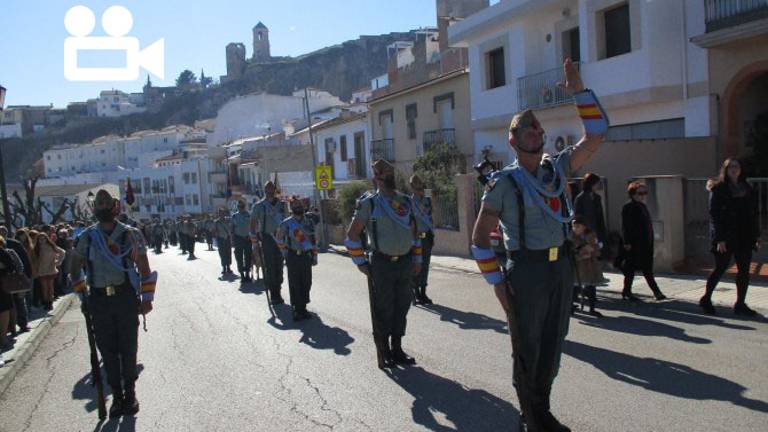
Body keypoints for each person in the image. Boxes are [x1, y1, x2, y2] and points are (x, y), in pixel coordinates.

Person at [471, 58, 607, 432]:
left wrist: (580, 91)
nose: (535, 132)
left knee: (553, 342)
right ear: (513, 141)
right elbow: (479, 240)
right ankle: (530, 417)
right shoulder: (503, 184)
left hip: (560, 268)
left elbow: (596, 135)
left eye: (538, 129)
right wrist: (498, 286)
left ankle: (541, 409)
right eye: (526, 130)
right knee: (527, 344)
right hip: (526, 269)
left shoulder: (557, 170)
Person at [69, 190, 156, 418]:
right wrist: (83, 297)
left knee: (128, 348)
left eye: (107, 207)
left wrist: (147, 299)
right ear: (95, 211)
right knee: (107, 351)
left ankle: (130, 393)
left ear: (115, 209)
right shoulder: (88, 237)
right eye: (100, 207)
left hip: (125, 297)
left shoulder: (131, 235)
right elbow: (74, 270)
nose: (104, 211)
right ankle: (116, 396)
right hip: (99, 300)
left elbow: (145, 269)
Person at [344, 159, 423, 368]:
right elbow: (352, 235)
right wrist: (360, 262)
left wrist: (417, 258)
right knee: (384, 308)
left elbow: (415, 235)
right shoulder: (369, 203)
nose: (387, 178)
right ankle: (384, 349)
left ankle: (397, 348)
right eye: (383, 175)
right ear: (375, 178)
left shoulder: (405, 202)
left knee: (402, 307)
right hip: (382, 263)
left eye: (389, 174)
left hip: (405, 263)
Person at [700, 158, 761, 316]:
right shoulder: (718, 188)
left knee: (744, 271)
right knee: (720, 268)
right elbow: (714, 214)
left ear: (741, 169)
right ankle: (706, 299)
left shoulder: (746, 188)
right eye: (731, 167)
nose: (734, 169)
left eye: (737, 166)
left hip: (744, 235)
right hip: (726, 236)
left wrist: (756, 236)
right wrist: (719, 238)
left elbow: (753, 214)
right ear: (725, 170)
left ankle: (740, 304)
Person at [621, 181, 667, 302]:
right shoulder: (629, 207)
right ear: (632, 194)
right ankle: (655, 292)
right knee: (633, 269)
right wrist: (627, 242)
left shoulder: (642, 206)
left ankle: (629, 290)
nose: (642, 195)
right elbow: (626, 226)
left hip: (645, 243)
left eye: (644, 193)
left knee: (644, 268)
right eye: (640, 193)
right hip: (634, 243)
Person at [276, 197, 318, 321]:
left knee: (307, 282)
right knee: (295, 283)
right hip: (293, 256)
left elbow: (313, 240)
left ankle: (303, 307)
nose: (298, 208)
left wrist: (315, 256)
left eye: (300, 206)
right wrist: (285, 253)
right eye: (295, 206)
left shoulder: (309, 222)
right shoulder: (287, 223)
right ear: (292, 208)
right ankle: (297, 309)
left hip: (306, 256)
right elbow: (279, 239)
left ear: (303, 207)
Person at [251, 181, 286, 305]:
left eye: (271, 189)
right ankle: (274, 294)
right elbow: (253, 225)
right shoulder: (259, 206)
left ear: (274, 190)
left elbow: (287, 221)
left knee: (279, 266)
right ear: (264, 191)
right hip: (267, 239)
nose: (270, 191)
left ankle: (278, 290)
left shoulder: (282, 205)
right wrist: (255, 244)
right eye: (267, 189)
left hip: (280, 238)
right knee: (270, 266)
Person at [409, 174, 435, 305]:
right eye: (416, 187)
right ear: (412, 188)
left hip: (427, 236)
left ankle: (423, 292)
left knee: (425, 265)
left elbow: (432, 217)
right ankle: (415, 292)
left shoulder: (427, 200)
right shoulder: (409, 202)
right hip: (416, 238)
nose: (419, 189)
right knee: (416, 265)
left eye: (421, 186)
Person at [1, 227, 32, 334]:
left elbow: (22, 263)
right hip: (5, 284)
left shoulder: (13, 245)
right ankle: (11, 327)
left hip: (15, 281)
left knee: (19, 302)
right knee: (11, 305)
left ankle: (22, 324)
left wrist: (24, 276)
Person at [570, 217, 603, 317]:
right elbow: (569, 253)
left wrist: (592, 251)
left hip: (590, 267)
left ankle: (592, 309)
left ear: (584, 227)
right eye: (574, 226)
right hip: (577, 267)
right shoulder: (570, 237)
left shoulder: (591, 235)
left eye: (578, 226)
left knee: (591, 287)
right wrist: (581, 255)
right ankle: (570, 308)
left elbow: (597, 249)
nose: (575, 228)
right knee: (574, 287)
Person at [34, 228, 66, 311]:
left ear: (46, 238)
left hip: (51, 269)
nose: (42, 240)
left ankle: (50, 302)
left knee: (50, 287)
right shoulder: (36, 248)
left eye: (43, 238)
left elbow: (62, 252)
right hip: (41, 270)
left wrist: (58, 262)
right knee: (44, 287)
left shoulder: (51, 246)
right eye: (40, 239)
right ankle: (46, 302)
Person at [231, 200, 253, 282]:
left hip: (248, 239)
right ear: (237, 207)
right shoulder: (234, 216)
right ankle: (242, 275)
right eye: (239, 207)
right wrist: (232, 240)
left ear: (245, 206)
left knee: (248, 257)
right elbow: (232, 229)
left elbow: (253, 227)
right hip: (238, 239)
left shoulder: (249, 215)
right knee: (239, 257)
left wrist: (252, 236)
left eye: (242, 206)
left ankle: (247, 274)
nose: (241, 208)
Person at [213, 208, 234, 276]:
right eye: (220, 213)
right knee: (222, 254)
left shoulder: (228, 220)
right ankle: (224, 267)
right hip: (221, 239)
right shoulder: (216, 222)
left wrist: (231, 237)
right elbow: (214, 231)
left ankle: (228, 267)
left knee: (228, 253)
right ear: (218, 214)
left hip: (227, 239)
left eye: (223, 213)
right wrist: (216, 236)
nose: (221, 214)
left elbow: (231, 229)